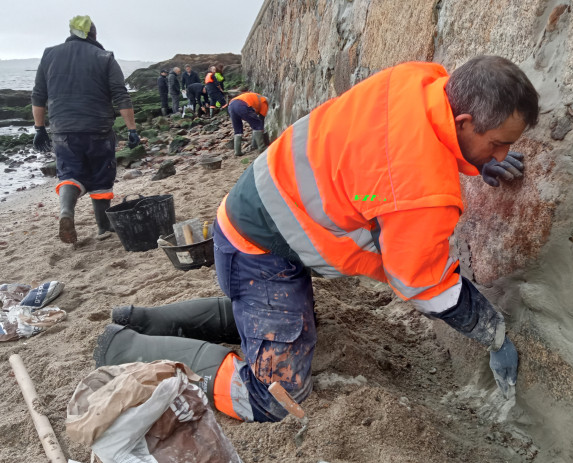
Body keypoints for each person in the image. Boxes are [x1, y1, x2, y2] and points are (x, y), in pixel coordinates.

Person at [95, 56, 539, 423]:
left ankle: (142, 318)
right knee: (274, 397)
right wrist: (493, 333)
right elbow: (423, 283)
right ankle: (124, 346)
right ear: (463, 121)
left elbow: (378, 182)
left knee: (294, 328)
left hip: (259, 211)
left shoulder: (420, 80)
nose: (502, 155)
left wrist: (475, 160)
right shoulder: (418, 191)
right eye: (497, 144)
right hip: (259, 250)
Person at [32, 15, 140, 244]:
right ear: (94, 34)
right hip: (98, 128)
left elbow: (38, 95)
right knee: (101, 177)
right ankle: (103, 228)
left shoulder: (49, 55)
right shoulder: (104, 57)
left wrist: (39, 128)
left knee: (69, 174)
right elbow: (121, 95)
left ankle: (66, 213)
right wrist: (131, 129)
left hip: (63, 130)